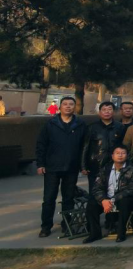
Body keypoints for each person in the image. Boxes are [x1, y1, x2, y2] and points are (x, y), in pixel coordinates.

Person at [36, 96, 88, 238]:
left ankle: (67, 224)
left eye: (71, 104)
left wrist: (82, 166)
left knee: (68, 198)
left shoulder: (80, 125)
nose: (68, 106)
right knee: (49, 198)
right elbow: (41, 145)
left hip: (71, 167)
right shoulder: (50, 124)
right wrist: (40, 164)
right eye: (65, 104)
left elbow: (84, 147)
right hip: (52, 167)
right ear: (60, 107)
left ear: (74, 107)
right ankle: (46, 226)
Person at [84, 145, 133, 244]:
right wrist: (103, 200)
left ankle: (121, 233)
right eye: (117, 153)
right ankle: (95, 234)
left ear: (127, 156)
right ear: (112, 156)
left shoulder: (132, 170)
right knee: (92, 204)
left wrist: (112, 200)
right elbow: (96, 187)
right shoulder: (105, 169)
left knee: (125, 202)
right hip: (106, 199)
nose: (120, 155)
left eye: (123, 153)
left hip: (121, 199)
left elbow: (132, 189)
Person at [81, 101, 126, 190]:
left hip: (114, 164)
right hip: (95, 164)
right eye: (104, 110)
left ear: (113, 112)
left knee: (112, 191)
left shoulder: (120, 127)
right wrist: (83, 166)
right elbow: (85, 147)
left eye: (109, 109)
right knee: (94, 191)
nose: (107, 112)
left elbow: (124, 146)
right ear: (99, 112)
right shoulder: (92, 127)